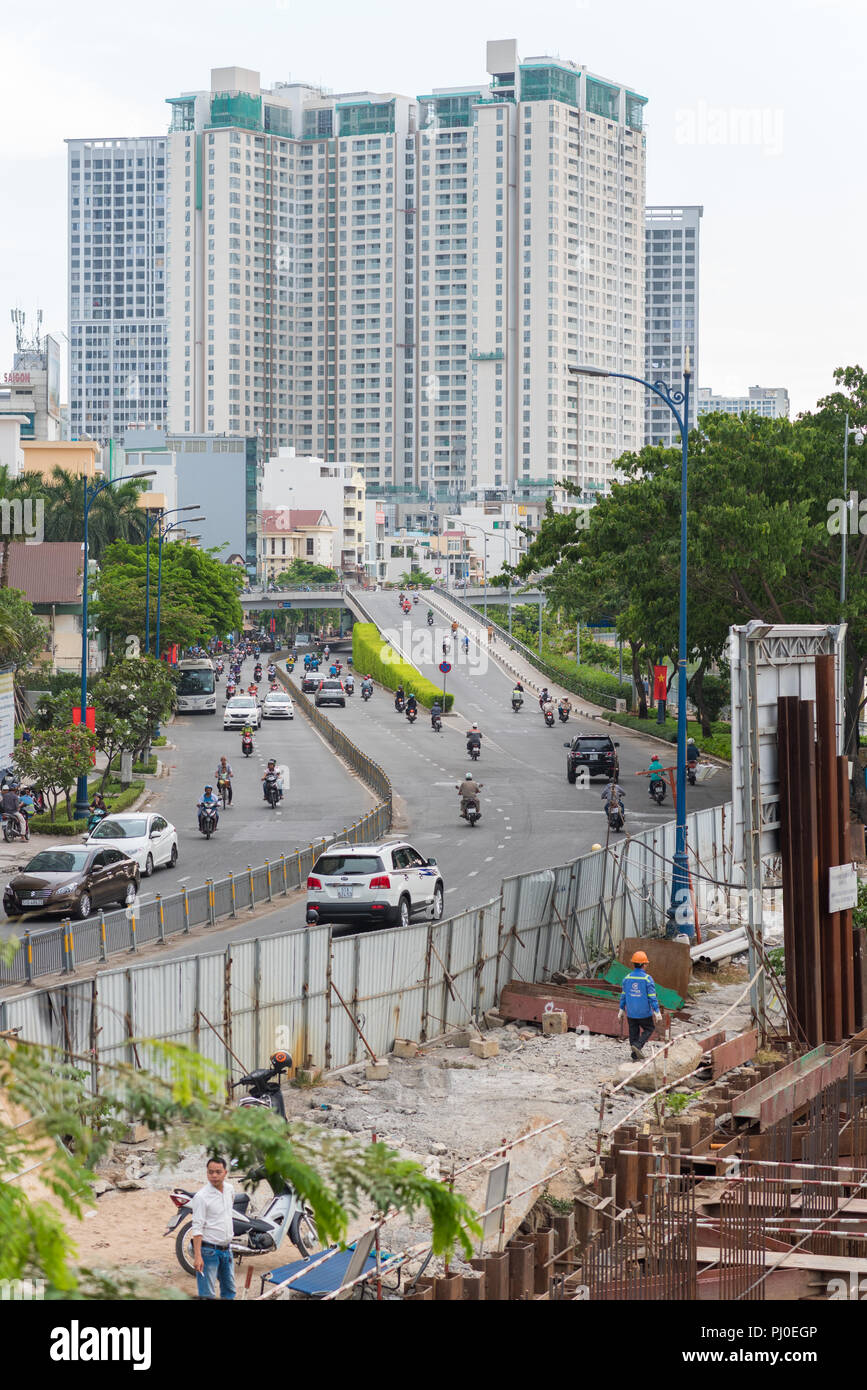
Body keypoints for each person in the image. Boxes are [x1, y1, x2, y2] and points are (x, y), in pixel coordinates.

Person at [191, 1156, 236, 1301]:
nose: (214, 1176)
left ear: (225, 1172)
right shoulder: (201, 1197)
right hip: (209, 1251)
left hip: (227, 1250)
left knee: (229, 1290)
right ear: (207, 1173)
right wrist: (198, 1256)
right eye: (211, 1172)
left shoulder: (230, 1190)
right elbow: (197, 1228)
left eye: (218, 1172)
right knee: (207, 1294)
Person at [618, 951, 663, 1061]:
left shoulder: (627, 978)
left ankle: (634, 1055)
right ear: (644, 964)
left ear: (633, 963)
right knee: (649, 1028)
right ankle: (638, 1046)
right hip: (644, 1013)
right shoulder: (647, 979)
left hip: (631, 1013)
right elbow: (652, 997)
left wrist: (621, 1009)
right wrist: (657, 1012)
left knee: (633, 1033)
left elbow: (623, 996)